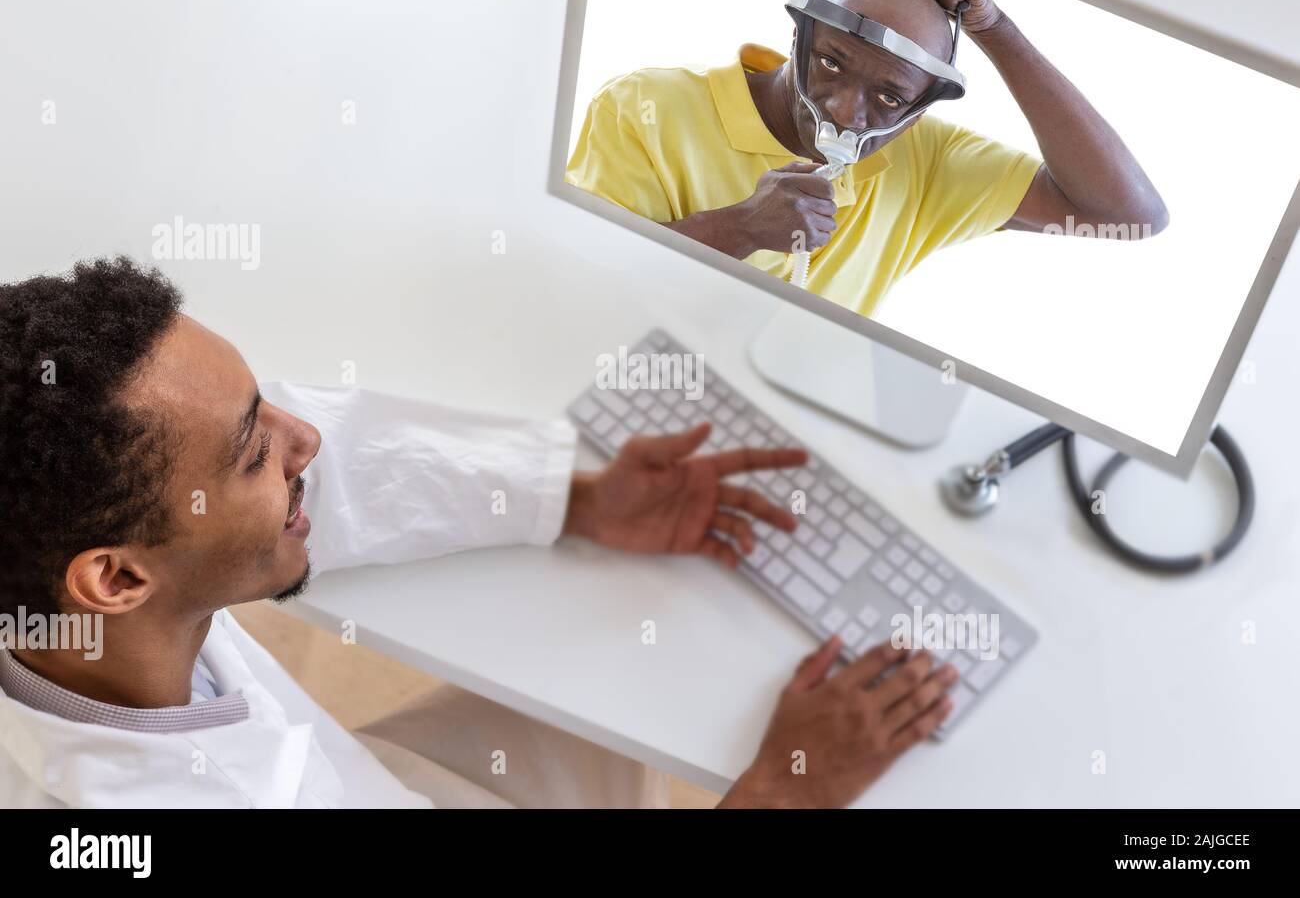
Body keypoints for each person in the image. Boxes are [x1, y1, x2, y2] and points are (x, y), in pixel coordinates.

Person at [0, 257, 959, 808]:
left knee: (617, 685)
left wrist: (582, 503)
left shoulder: (74, 576)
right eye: (256, 452)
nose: (306, 440)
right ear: (115, 582)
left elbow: (324, 477)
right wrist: (790, 793)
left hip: (380, 787)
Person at [565, 0, 1167, 317]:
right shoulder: (645, 105)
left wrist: (995, 27)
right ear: (798, 36)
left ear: (922, 108)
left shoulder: (929, 163)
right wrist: (739, 226)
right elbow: (574, 288)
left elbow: (1132, 214)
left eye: (889, 97)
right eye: (833, 63)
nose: (848, 114)